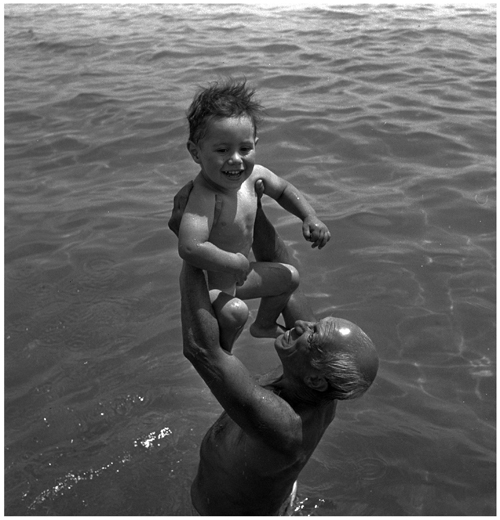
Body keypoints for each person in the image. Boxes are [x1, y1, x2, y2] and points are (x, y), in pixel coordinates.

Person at [172, 184, 379, 516]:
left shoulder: (285, 425)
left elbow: (201, 349)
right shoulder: (314, 372)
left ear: (315, 380)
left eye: (311, 337)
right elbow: (282, 272)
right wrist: (251, 204)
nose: (301, 325)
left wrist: (192, 252)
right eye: (314, 324)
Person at [174, 78, 331, 350]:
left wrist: (309, 216)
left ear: (255, 144)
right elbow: (190, 246)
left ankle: (264, 325)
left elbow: (283, 190)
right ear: (195, 153)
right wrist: (231, 261)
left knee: (289, 276)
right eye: (222, 150)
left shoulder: (254, 176)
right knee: (235, 312)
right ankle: (224, 352)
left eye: (244, 149)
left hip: (240, 276)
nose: (236, 159)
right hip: (214, 285)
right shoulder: (204, 195)